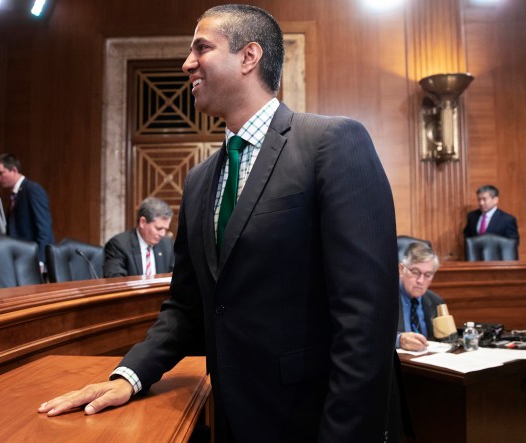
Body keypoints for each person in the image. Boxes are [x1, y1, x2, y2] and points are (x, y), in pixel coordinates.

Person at [39, 5, 403, 442]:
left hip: (316, 420)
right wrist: (128, 377)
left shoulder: (331, 142)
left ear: (249, 57)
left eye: (201, 48)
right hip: (232, 418)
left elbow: (366, 318)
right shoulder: (197, 180)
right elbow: (186, 308)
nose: (187, 63)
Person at [0, 153, 55, 266]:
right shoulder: (16, 193)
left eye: (0, 173)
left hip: (33, 260)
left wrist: (41, 261)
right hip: (20, 258)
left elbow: (44, 227)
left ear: (14, 170)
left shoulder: (32, 190)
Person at [103, 197, 174, 278]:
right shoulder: (119, 245)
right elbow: (115, 281)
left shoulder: (168, 245)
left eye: (165, 229)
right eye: (158, 228)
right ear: (142, 222)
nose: (162, 234)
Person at [397, 243, 444, 352]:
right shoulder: (384, 298)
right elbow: (371, 334)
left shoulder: (436, 301)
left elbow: (445, 341)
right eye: (415, 272)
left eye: (427, 275)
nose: (420, 281)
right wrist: (399, 340)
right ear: (401, 269)